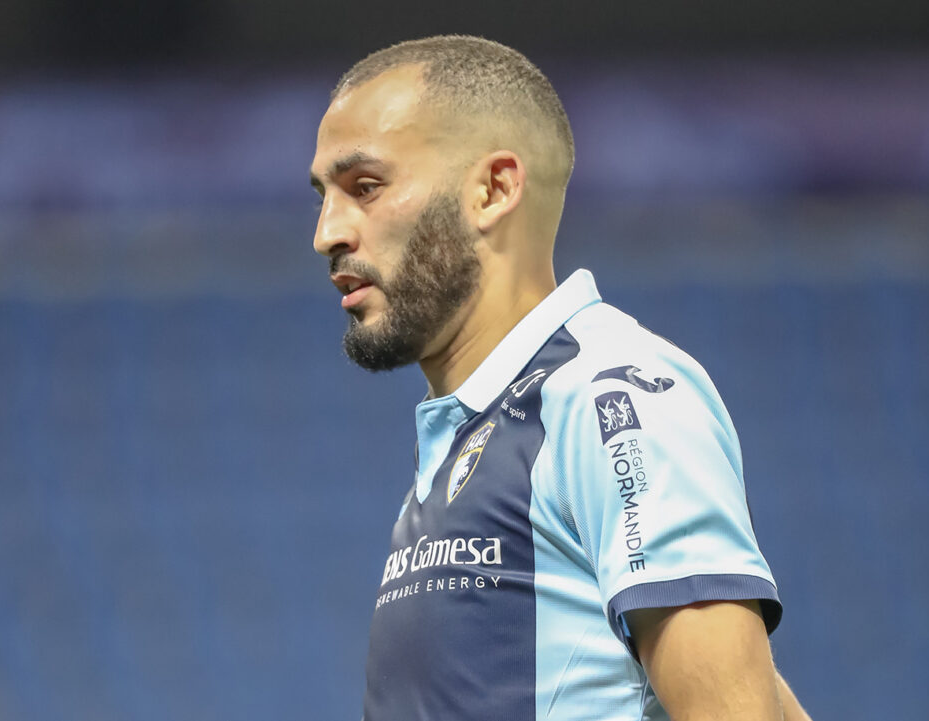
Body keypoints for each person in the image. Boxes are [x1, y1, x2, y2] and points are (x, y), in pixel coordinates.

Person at [309, 35, 811, 721]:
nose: (327, 231)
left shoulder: (608, 396)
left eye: (365, 187)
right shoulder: (471, 443)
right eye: (323, 196)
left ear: (493, 189)